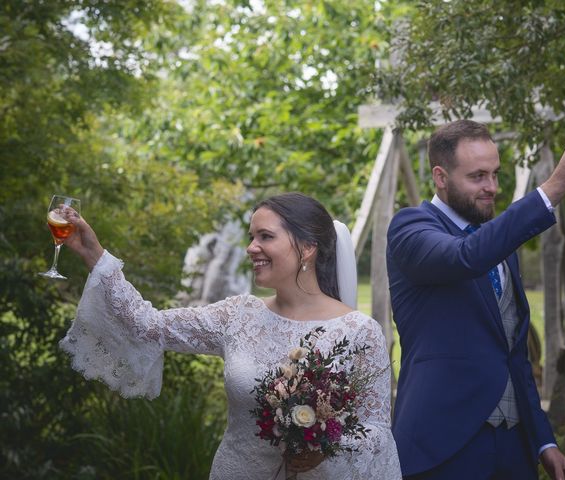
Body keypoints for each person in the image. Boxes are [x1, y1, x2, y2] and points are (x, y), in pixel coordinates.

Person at [59, 192, 402, 480]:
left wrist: (324, 446)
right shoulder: (237, 315)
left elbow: (375, 431)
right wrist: (94, 255)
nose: (251, 247)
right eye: (251, 237)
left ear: (308, 248)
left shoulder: (359, 332)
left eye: (265, 237)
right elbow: (147, 324)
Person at [387, 119, 565, 480]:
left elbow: (514, 355)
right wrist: (553, 188)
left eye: (495, 174)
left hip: (515, 448)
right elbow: (465, 256)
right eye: (477, 177)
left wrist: (543, 442)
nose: (492, 187)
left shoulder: (501, 244)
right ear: (440, 177)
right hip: (442, 443)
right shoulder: (410, 227)